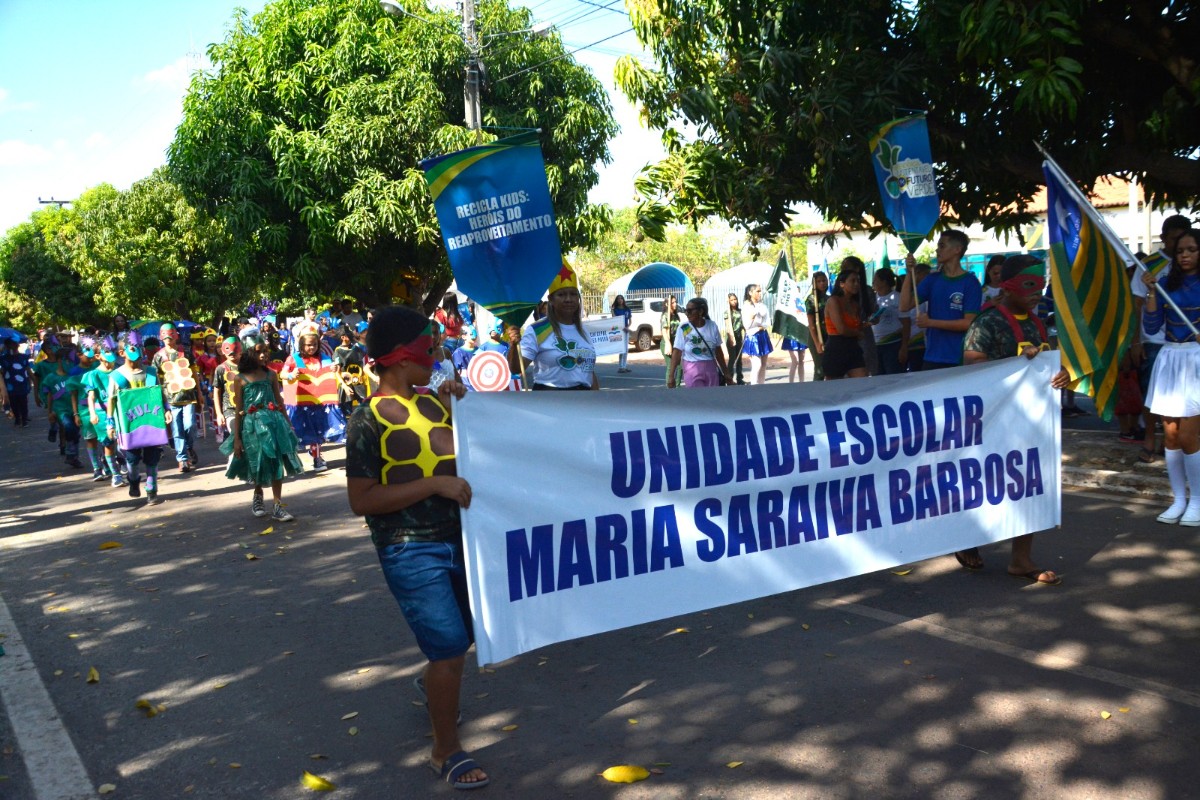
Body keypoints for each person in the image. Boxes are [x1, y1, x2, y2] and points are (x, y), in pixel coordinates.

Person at [343, 305, 486, 791]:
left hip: (463, 540)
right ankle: (445, 750)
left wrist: (461, 407)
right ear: (403, 357)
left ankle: (433, 684)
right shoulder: (365, 420)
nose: (438, 353)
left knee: (463, 639)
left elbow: (477, 452)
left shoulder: (435, 402)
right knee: (448, 649)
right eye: (430, 347)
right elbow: (361, 501)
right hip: (409, 549)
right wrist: (433, 486)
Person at [960, 255, 1071, 579]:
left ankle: (1021, 559)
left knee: (1028, 485)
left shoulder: (1036, 322)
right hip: (992, 422)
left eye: (1041, 284)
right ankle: (966, 538)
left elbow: (1047, 362)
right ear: (1007, 286)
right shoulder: (987, 322)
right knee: (984, 485)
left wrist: (1060, 372)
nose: (1038, 291)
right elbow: (972, 367)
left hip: (1029, 423)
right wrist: (1017, 364)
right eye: (1029, 284)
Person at [1141, 227, 1200, 526]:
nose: (1186, 255)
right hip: (1170, 359)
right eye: (1180, 251)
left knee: (1190, 436)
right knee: (1172, 435)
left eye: (1191, 249)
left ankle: (1198, 502)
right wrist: (1151, 291)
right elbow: (1152, 327)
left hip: (1196, 360)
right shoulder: (1165, 284)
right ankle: (1179, 499)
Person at [220, 327, 302, 521]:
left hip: (275, 423)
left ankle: (277, 505)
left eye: (265, 350)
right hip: (252, 425)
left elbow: (279, 402)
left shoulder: (271, 375)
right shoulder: (240, 379)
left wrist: (289, 425)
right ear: (249, 354)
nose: (264, 355)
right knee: (258, 461)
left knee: (276, 461)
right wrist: (237, 438)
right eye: (259, 351)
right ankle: (258, 495)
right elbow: (239, 409)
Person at [1131, 214, 1193, 464]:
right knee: (1153, 394)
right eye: (1175, 240)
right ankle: (1149, 437)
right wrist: (1135, 341)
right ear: (1164, 238)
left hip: (1189, 346)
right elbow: (1138, 304)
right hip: (1156, 341)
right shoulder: (1151, 265)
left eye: (1186, 243)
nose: (1181, 249)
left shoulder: (1190, 270)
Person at [900, 229, 982, 369]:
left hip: (959, 357)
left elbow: (968, 323)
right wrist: (909, 273)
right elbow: (904, 306)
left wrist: (931, 322)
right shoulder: (932, 279)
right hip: (932, 356)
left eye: (942, 246)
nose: (937, 250)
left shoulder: (971, 282)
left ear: (957, 249)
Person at [107, 331, 169, 504]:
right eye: (132, 348)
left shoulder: (150, 372)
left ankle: (152, 490)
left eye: (139, 348)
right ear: (121, 353)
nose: (137, 352)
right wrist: (109, 423)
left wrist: (166, 409)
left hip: (151, 422)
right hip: (129, 427)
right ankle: (134, 481)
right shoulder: (116, 376)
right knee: (132, 461)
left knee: (152, 458)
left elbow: (159, 393)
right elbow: (110, 400)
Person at [518, 263, 599, 390]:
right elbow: (517, 368)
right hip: (549, 401)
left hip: (584, 402)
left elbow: (588, 372)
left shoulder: (583, 331)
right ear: (551, 300)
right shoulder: (537, 330)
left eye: (573, 294)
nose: (568, 299)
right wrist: (513, 345)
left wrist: (598, 401)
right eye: (561, 295)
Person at [281, 331, 344, 471]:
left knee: (318, 431)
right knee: (301, 432)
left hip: (320, 403)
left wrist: (334, 368)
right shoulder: (293, 358)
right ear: (302, 345)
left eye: (315, 344)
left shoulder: (324, 357)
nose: (312, 347)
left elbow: (332, 371)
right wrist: (291, 374)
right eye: (308, 345)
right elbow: (282, 374)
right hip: (301, 402)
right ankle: (296, 459)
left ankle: (316, 457)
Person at [153, 324, 206, 473]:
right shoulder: (158, 356)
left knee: (189, 425)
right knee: (176, 428)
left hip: (188, 395)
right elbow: (157, 380)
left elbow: (194, 372)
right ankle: (182, 458)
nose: (168, 339)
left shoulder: (186, 351)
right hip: (170, 399)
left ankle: (188, 447)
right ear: (162, 337)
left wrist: (199, 392)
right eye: (165, 336)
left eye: (171, 335)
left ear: (175, 336)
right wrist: (161, 403)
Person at [667, 297, 730, 388]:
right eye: (686, 310)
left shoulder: (712, 326)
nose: (687, 314)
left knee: (712, 399)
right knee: (697, 399)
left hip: (711, 369)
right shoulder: (685, 327)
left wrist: (726, 372)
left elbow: (718, 352)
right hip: (692, 369)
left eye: (690, 311)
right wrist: (671, 376)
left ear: (700, 311)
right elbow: (677, 352)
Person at [822, 270, 869, 380]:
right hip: (836, 348)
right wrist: (858, 333)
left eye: (858, 281)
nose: (856, 284)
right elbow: (841, 329)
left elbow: (855, 326)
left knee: (862, 384)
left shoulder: (855, 304)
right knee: (834, 388)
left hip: (853, 347)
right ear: (842, 283)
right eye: (852, 281)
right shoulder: (833, 301)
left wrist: (864, 325)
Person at [839, 257, 879, 375]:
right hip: (845, 340)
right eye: (842, 269)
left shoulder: (867, 292)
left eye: (846, 268)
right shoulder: (837, 296)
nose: (843, 271)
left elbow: (876, 317)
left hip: (864, 339)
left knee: (865, 372)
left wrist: (868, 321)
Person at [870, 267, 906, 375]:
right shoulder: (872, 298)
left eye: (875, 279)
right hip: (875, 345)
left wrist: (903, 348)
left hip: (893, 344)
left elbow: (906, 323)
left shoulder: (897, 297)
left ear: (884, 282)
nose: (873, 282)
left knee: (893, 377)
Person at [212, 336, 242, 447]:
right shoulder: (221, 369)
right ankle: (233, 461)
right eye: (228, 351)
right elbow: (217, 391)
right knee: (236, 436)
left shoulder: (247, 367)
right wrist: (219, 414)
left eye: (235, 350)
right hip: (230, 410)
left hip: (247, 409)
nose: (232, 353)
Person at [334, 325, 368, 416]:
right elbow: (337, 372)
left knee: (364, 409)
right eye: (349, 334)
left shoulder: (357, 349)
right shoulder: (338, 351)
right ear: (343, 337)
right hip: (346, 385)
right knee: (347, 414)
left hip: (358, 383)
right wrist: (345, 386)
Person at [742, 284, 772, 384]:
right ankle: (754, 386)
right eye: (757, 291)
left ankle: (761, 386)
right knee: (757, 364)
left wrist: (761, 326)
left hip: (762, 335)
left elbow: (767, 322)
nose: (760, 293)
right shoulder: (746, 306)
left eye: (760, 291)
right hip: (753, 336)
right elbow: (747, 326)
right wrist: (752, 317)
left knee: (763, 364)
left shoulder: (762, 306)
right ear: (750, 293)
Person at [903, 262, 931, 372]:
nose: (928, 277)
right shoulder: (911, 295)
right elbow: (904, 309)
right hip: (911, 341)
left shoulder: (928, 293)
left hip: (923, 342)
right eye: (926, 274)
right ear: (918, 274)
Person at [1, 336, 32, 427]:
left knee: (23, 402)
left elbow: (27, 370)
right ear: (7, 346)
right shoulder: (3, 358)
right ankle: (17, 418)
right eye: (11, 344)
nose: (14, 346)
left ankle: (24, 419)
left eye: (15, 344)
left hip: (22, 383)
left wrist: (31, 380)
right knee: (14, 402)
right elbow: (2, 371)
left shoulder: (23, 357)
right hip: (10, 384)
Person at [804, 272, 829, 382]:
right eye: (819, 281)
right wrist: (817, 343)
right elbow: (811, 324)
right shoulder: (811, 299)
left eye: (824, 280)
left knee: (830, 367)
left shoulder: (830, 298)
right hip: (816, 335)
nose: (822, 283)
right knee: (820, 369)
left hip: (829, 334)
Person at [722, 293, 746, 385]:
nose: (734, 301)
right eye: (731, 300)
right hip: (731, 337)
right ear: (728, 301)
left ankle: (740, 378)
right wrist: (732, 338)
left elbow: (743, 323)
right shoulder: (727, 312)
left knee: (739, 359)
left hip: (739, 336)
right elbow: (728, 326)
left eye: (735, 299)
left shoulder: (740, 311)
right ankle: (729, 378)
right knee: (732, 359)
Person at [660, 294, 683, 387]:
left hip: (676, 343)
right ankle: (669, 387)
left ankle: (677, 386)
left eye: (675, 302)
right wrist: (668, 344)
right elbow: (664, 331)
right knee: (670, 366)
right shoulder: (665, 316)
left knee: (680, 366)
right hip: (667, 343)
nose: (675, 304)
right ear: (667, 304)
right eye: (672, 302)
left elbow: (681, 328)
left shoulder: (676, 315)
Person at [611, 295, 632, 373]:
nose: (620, 300)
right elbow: (614, 319)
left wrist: (628, 327)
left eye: (621, 299)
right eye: (618, 299)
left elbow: (630, 321)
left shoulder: (627, 309)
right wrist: (612, 310)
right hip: (619, 330)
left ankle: (625, 366)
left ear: (623, 300)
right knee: (621, 349)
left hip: (626, 330)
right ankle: (621, 367)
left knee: (626, 349)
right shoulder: (615, 310)